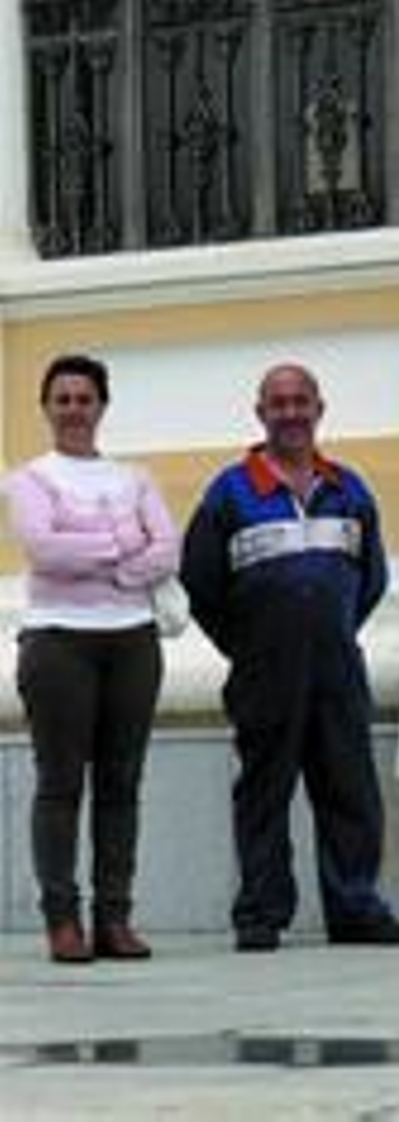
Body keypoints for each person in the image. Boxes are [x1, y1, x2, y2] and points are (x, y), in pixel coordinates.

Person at [181, 362, 399, 952]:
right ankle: (261, 914)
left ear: (319, 409)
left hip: (338, 665)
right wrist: (253, 646)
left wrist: (329, 629)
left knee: (350, 790)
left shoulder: (350, 489)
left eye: (301, 401)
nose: (291, 412)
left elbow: (372, 578)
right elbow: (200, 584)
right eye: (278, 403)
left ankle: (355, 909)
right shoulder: (230, 492)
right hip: (264, 671)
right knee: (265, 791)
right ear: (260, 413)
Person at [5, 354, 179, 963]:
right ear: (46, 407)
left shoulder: (136, 478)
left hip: (132, 642)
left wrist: (110, 562)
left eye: (85, 398)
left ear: (102, 406)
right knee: (60, 785)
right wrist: (124, 546)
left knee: (121, 784)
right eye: (63, 399)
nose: (74, 409)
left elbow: (168, 548)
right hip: (58, 643)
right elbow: (44, 550)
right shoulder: (27, 478)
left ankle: (115, 918)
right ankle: (62, 921)